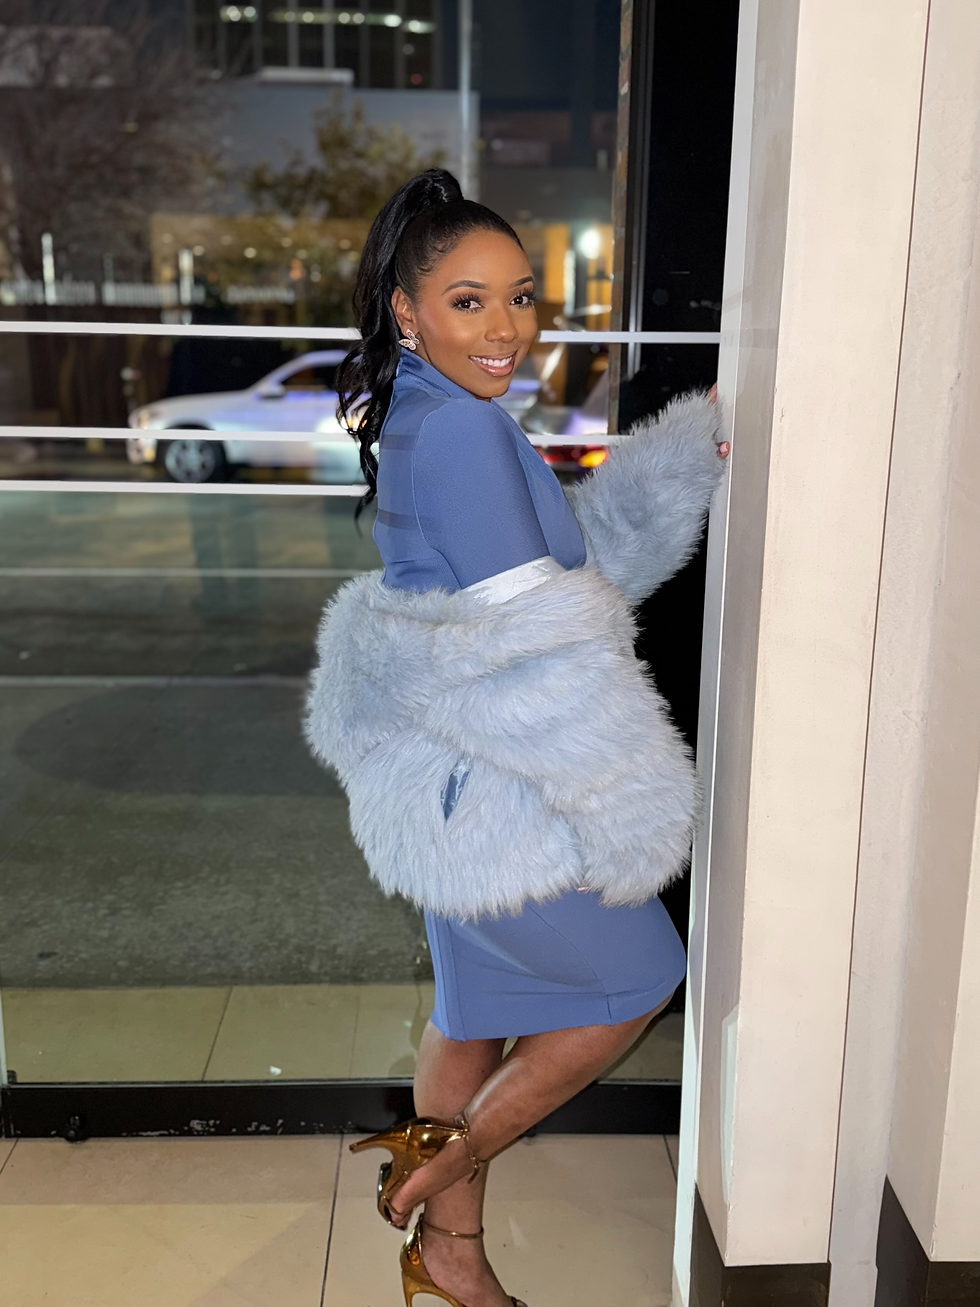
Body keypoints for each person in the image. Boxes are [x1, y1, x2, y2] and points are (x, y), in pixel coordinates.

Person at [305, 168, 730, 1307]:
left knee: (473, 1014)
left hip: (442, 770)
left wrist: (674, 464)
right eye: (468, 301)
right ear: (406, 311)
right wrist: (623, 796)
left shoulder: (432, 412)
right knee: (640, 976)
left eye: (520, 297)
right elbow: (536, 638)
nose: (505, 329)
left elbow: (552, 572)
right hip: (493, 785)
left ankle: (451, 1258)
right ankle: (438, 1170)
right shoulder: (461, 432)